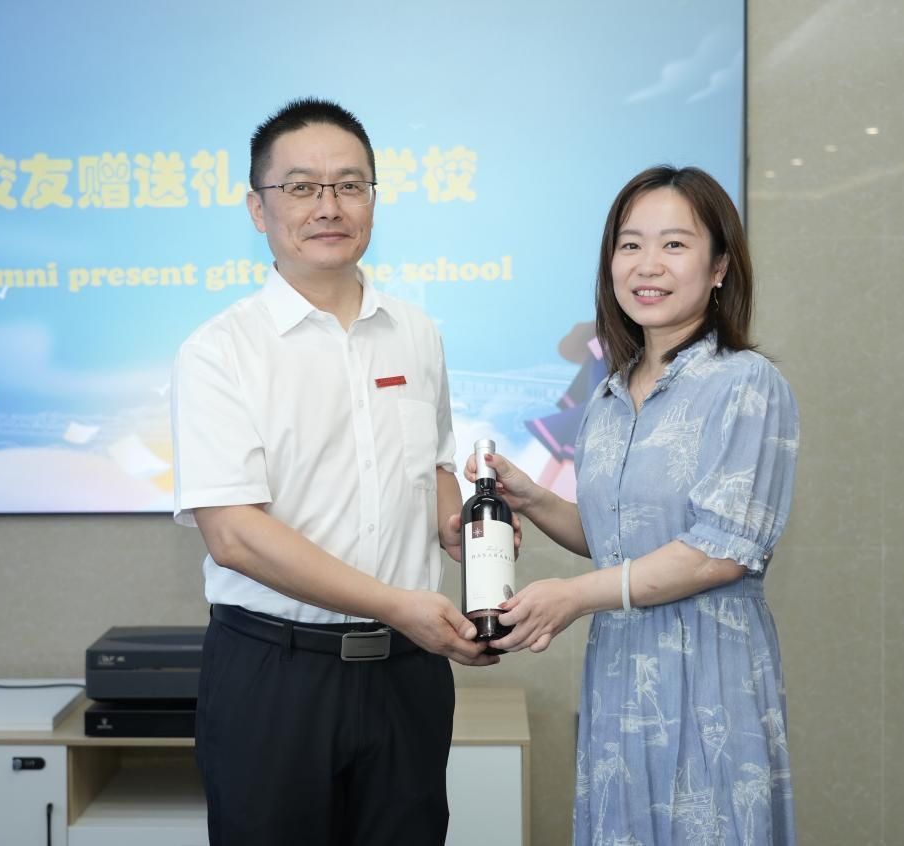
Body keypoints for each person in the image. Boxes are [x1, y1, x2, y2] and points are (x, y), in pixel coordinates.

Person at [170, 98, 503, 846]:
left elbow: (431, 464)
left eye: (350, 185)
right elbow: (234, 537)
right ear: (257, 209)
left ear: (372, 200)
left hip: (407, 676)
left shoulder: (417, 332)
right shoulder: (219, 351)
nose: (329, 206)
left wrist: (458, 526)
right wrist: (397, 604)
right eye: (302, 187)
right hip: (276, 675)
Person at [473, 165, 799, 844]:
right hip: (620, 672)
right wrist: (532, 497)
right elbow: (616, 539)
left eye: (674, 244)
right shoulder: (608, 393)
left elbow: (717, 553)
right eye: (630, 245)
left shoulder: (746, 383)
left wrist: (573, 597)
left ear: (719, 267)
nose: (647, 265)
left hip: (708, 672)